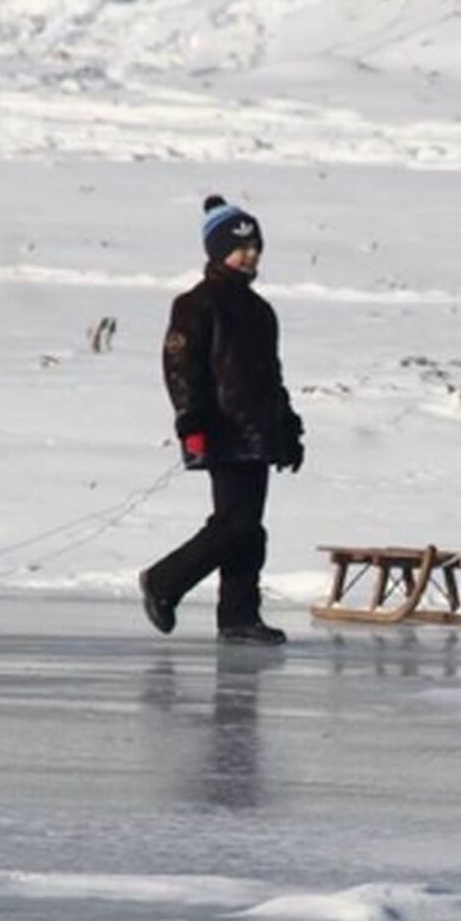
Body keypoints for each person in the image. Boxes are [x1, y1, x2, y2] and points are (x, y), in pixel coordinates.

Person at [139, 195, 304, 645]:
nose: (250, 255)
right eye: (240, 247)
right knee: (234, 524)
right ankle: (163, 581)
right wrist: (191, 424)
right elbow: (180, 367)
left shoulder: (260, 311)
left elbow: (271, 377)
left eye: (255, 247)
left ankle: (238, 617)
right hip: (220, 430)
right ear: (216, 251)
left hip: (256, 433)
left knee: (249, 528)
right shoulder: (197, 303)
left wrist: (287, 427)